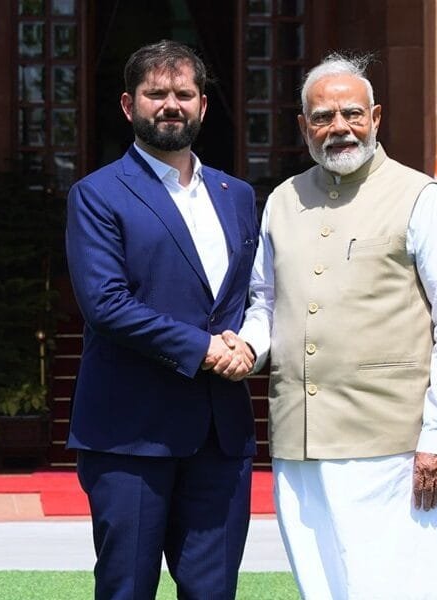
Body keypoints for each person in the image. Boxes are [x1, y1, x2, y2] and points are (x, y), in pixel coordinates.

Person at [237, 53, 437, 600]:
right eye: (324, 117)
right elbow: (265, 303)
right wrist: (246, 348)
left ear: (376, 117)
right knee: (322, 586)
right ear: (304, 126)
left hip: (393, 444)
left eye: (352, 114)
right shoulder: (282, 200)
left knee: (394, 588)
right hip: (299, 437)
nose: (339, 128)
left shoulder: (420, 196)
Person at [64, 40, 259, 600]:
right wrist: (204, 348)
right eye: (156, 94)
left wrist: (248, 343)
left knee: (214, 590)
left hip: (220, 434)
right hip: (130, 435)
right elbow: (106, 304)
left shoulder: (237, 195)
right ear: (129, 106)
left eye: (184, 93)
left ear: (203, 105)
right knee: (127, 587)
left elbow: (252, 296)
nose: (170, 104)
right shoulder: (97, 194)